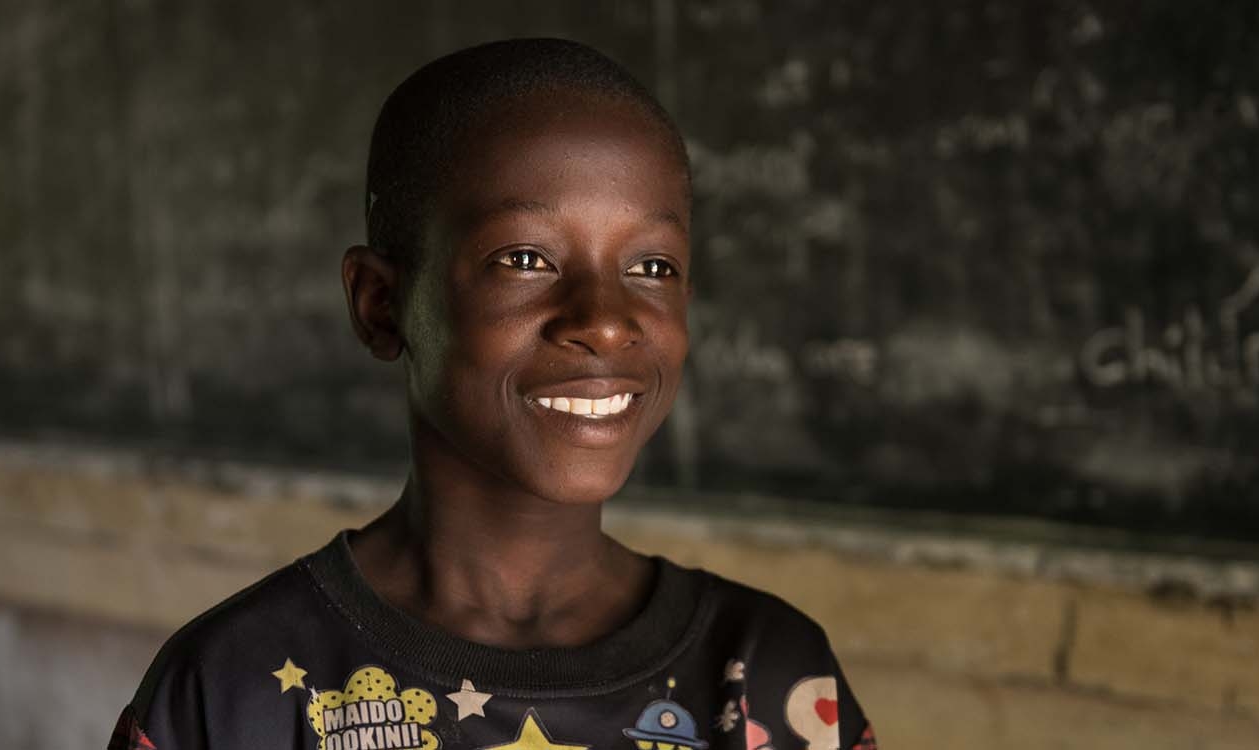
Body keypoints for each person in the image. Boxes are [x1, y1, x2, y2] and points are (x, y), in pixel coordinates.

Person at [109, 38, 875, 750]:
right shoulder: (237, 687)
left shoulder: (764, 674)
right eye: (524, 257)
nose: (606, 324)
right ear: (381, 304)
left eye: (651, 267)